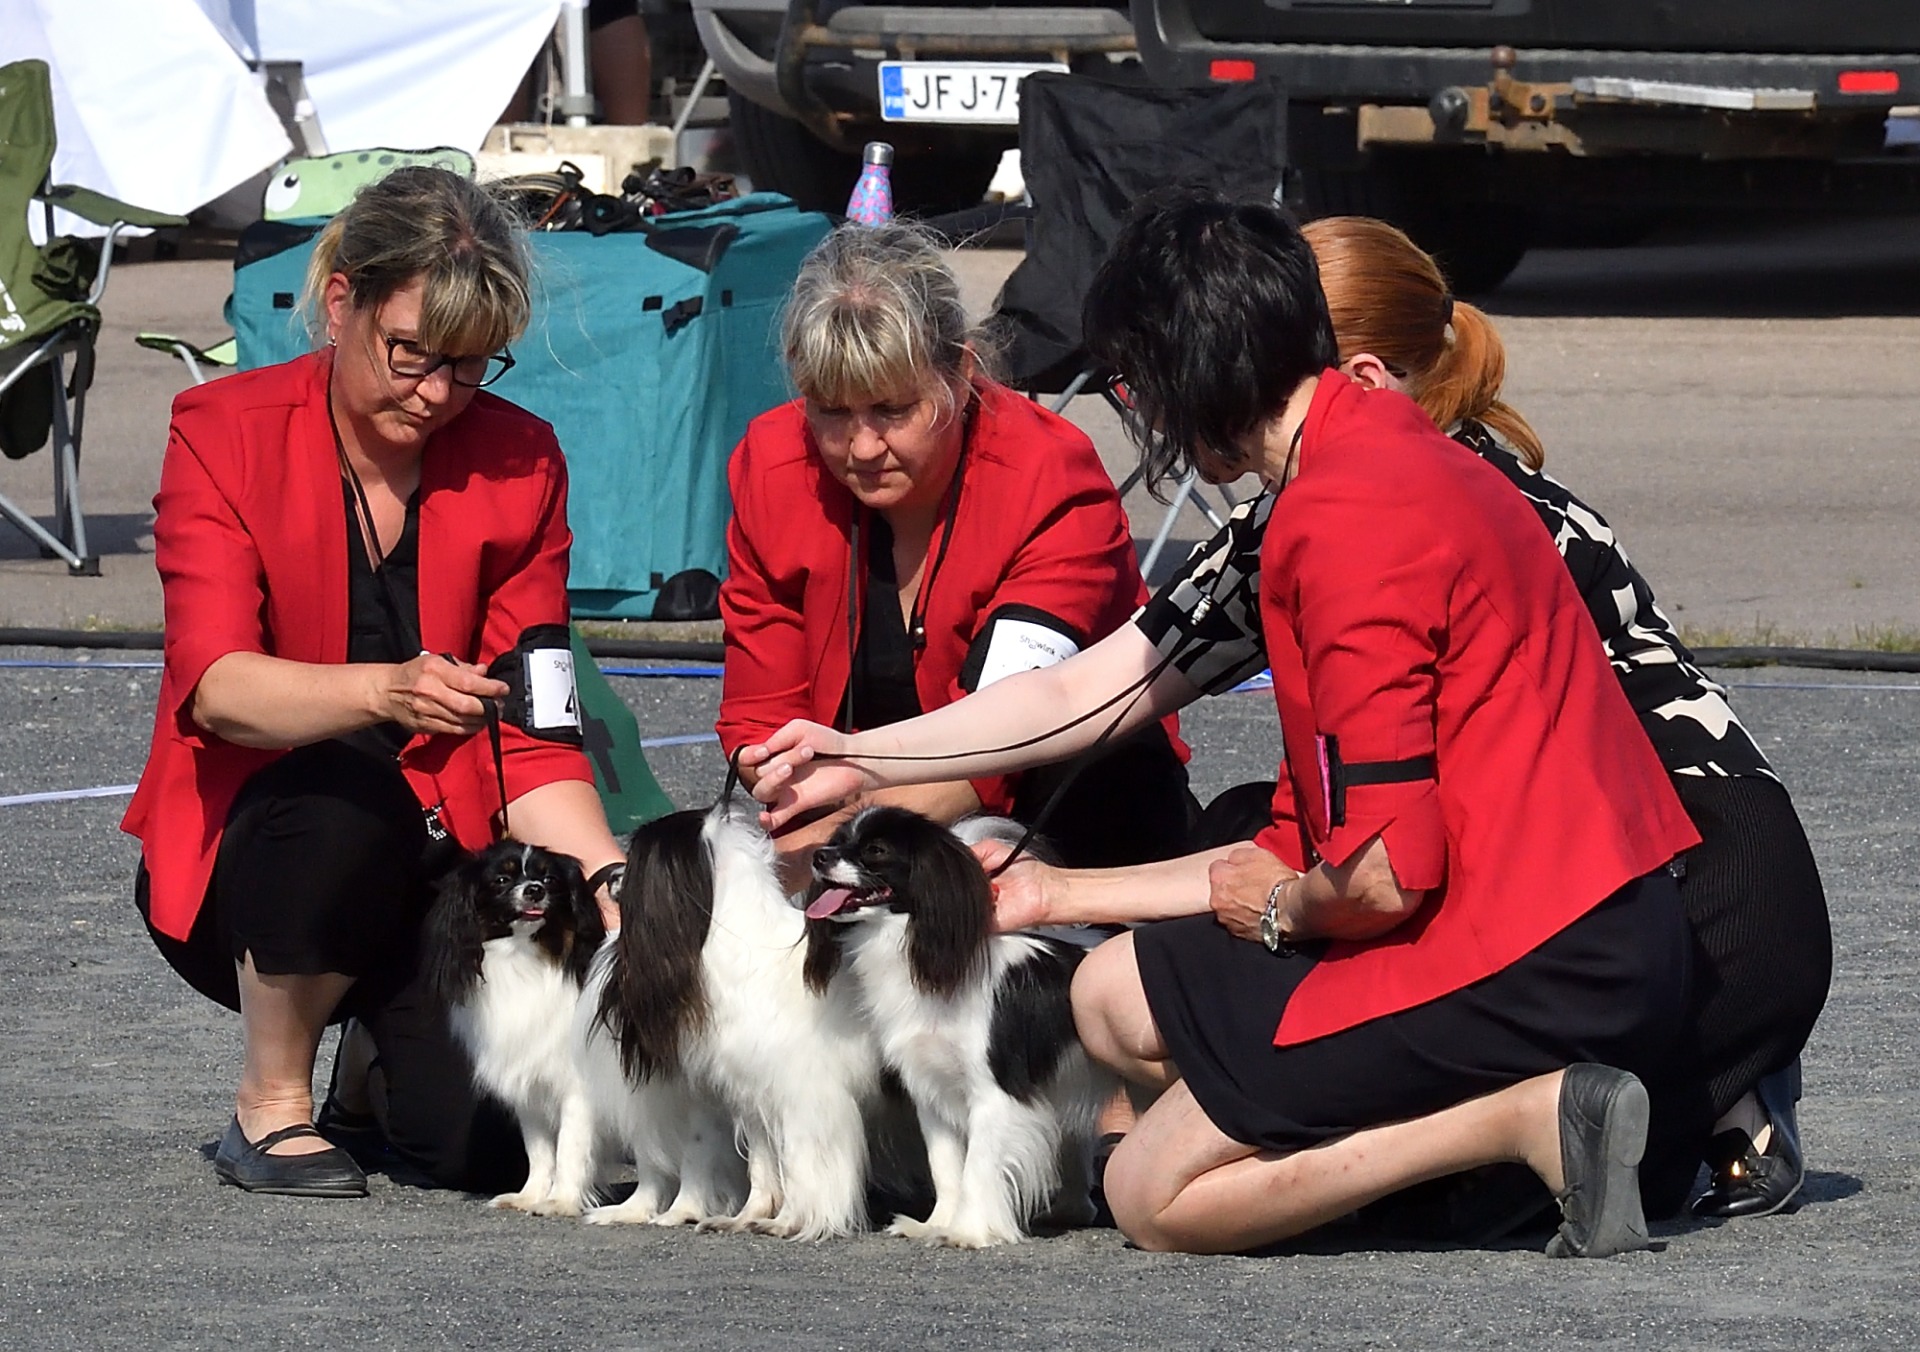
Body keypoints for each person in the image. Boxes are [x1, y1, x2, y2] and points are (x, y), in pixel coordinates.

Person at [744, 192, 1702, 1258]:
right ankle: (1438, 1148)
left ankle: (1525, 1119)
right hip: (1585, 919)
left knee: (1152, 1193)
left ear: (1182, 377)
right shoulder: (1375, 444)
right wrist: (907, 788)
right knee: (1112, 994)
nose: (1135, 414)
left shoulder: (1345, 526)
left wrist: (1282, 912)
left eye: (1131, 386)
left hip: (1531, 954)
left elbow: (1378, 878)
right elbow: (1119, 716)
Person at [1296, 215, 1828, 1219]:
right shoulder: (1507, 478)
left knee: (1421, 1187)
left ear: (1356, 374)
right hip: (1747, 865)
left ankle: (1690, 1106)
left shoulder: (1356, 500)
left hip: (1665, 889)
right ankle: (1718, 1102)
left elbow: (1121, 680)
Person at [122, 168, 627, 1199]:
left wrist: (613, 883)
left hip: (442, 863)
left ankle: (369, 1063)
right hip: (262, 857)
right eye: (411, 353)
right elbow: (218, 688)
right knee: (342, 796)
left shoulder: (524, 461)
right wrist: (384, 693)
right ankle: (271, 1100)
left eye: (469, 365)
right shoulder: (220, 429)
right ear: (341, 302)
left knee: (486, 1150)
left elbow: (537, 727)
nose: (436, 393)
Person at [720, 221, 1195, 881]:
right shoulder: (770, 465)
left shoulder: (1051, 478)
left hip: (1059, 804)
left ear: (962, 374)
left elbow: (1008, 738)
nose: (862, 447)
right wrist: (772, 772)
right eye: (830, 411)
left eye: (892, 410)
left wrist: (822, 847)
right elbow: (760, 711)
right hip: (849, 818)